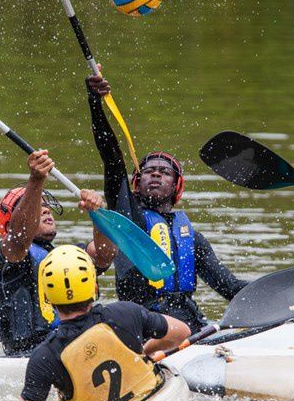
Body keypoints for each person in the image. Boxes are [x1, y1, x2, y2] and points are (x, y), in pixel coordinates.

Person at [85, 69, 252, 334]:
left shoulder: (191, 238)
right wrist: (95, 103)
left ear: (176, 186)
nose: (155, 175)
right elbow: (112, 158)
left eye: (164, 173)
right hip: (144, 325)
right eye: (149, 171)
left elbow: (230, 287)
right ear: (136, 183)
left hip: (189, 324)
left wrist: (291, 284)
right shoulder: (129, 218)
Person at [21, 245, 190, 401]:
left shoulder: (44, 356)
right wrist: (145, 352)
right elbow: (182, 332)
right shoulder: (126, 313)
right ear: (94, 286)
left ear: (46, 296)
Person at [0, 149, 116, 356]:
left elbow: (105, 255)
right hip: (27, 354)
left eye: (46, 206)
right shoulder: (7, 253)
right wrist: (36, 179)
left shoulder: (65, 256)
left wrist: (98, 214)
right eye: (37, 207)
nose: (46, 210)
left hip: (69, 347)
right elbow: (21, 236)